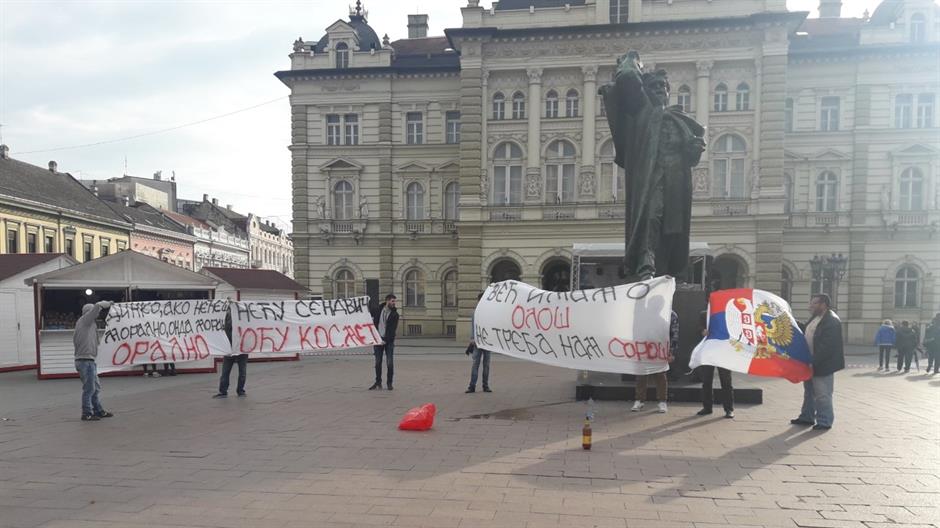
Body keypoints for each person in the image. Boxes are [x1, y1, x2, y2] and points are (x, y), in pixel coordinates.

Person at [600, 50, 705, 280]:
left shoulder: (680, 121)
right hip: (650, 178)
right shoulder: (641, 110)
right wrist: (633, 59)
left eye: (663, 86)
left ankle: (665, 272)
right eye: (655, 85)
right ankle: (646, 265)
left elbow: (692, 156)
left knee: (671, 229)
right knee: (651, 216)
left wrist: (694, 149)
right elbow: (627, 77)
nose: (659, 89)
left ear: (669, 92)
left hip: (675, 182)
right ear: (647, 90)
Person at [791, 294, 844, 431]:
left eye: (814, 303)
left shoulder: (831, 321)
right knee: (809, 392)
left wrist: (812, 361)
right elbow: (806, 331)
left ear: (823, 304)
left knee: (822, 394)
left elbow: (826, 347)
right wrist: (791, 321)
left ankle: (825, 421)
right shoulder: (816, 318)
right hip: (810, 361)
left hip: (822, 364)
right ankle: (806, 417)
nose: (810, 306)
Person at [74, 300, 115, 421]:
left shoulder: (89, 325)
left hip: (89, 360)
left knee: (95, 388)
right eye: (94, 313)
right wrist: (108, 304)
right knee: (90, 388)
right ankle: (86, 413)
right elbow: (97, 306)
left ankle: (98, 410)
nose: (97, 315)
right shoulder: (85, 321)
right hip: (85, 360)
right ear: (88, 312)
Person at [632, 310, 678, 413]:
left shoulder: (671, 314)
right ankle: (639, 400)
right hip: (645, 347)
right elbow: (638, 330)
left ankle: (662, 402)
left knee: (661, 376)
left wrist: (671, 352)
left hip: (661, 349)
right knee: (641, 375)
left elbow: (674, 334)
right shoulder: (646, 314)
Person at [695, 311, 734, 418]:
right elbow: (699, 327)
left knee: (726, 381)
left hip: (723, 352)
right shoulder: (704, 314)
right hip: (708, 352)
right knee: (706, 381)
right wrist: (702, 330)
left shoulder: (728, 314)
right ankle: (707, 407)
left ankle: (729, 409)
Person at [369, 294, 399, 390]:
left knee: (390, 363)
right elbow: (367, 315)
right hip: (378, 341)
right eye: (392, 301)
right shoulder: (377, 310)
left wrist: (385, 340)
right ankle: (378, 382)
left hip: (388, 342)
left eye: (394, 301)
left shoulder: (395, 315)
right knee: (378, 362)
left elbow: (392, 330)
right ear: (387, 301)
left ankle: (389, 383)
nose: (394, 303)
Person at [214, 310, 247, 398]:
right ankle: (240, 391)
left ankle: (225, 391)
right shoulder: (243, 317)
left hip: (235, 348)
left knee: (227, 371)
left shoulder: (230, 317)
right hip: (236, 348)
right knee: (240, 371)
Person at [466, 292, 491, 394]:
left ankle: (484, 386)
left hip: (487, 341)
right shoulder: (476, 312)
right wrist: (472, 338)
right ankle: (473, 386)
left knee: (484, 365)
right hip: (478, 342)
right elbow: (474, 326)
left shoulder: (489, 312)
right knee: (478, 364)